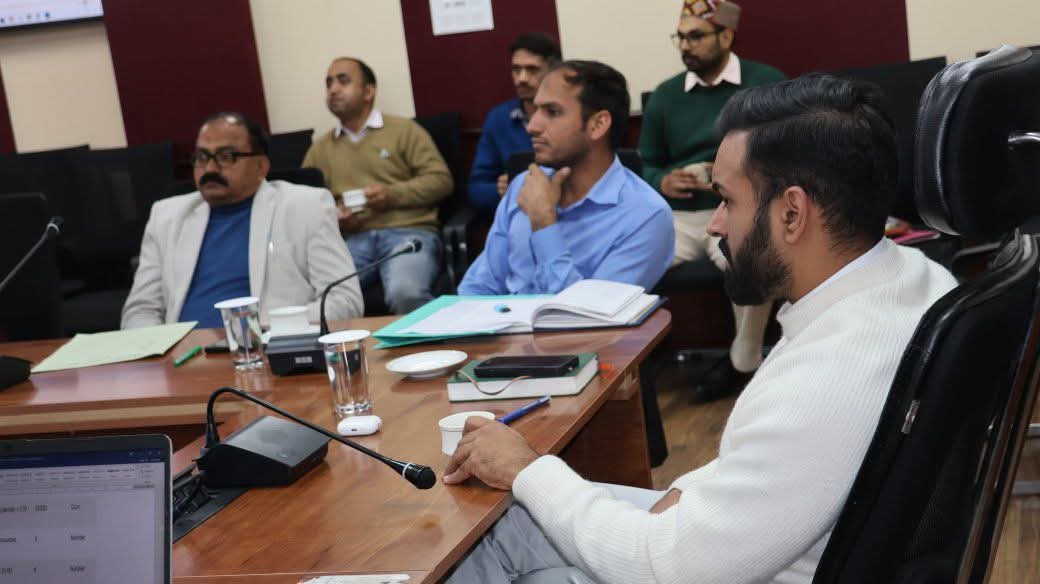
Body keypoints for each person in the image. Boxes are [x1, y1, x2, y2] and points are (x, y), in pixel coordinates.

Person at [443, 75, 958, 583]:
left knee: (490, 535)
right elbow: (777, 464)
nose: (714, 224)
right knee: (502, 529)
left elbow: (662, 567)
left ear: (792, 213)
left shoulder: (828, 376)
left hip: (700, 569)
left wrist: (527, 468)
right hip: (749, 547)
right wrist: (687, 490)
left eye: (727, 201)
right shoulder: (919, 277)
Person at [640, 0, 786, 402]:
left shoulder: (764, 82)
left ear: (726, 36)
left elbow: (785, 149)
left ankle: (743, 361)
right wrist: (662, 180)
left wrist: (735, 173)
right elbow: (646, 163)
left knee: (753, 259)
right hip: (679, 216)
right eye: (681, 37)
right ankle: (631, 364)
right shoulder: (666, 95)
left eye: (696, 36)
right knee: (623, 259)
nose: (686, 45)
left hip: (741, 208)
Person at [122, 112, 363, 329]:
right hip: (184, 355)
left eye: (226, 156)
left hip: (267, 350)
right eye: (202, 157)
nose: (210, 168)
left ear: (261, 166)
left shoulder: (306, 207)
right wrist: (162, 352)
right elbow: (140, 310)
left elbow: (344, 301)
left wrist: (252, 333)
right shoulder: (166, 217)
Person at [458, 60, 673, 296]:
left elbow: (589, 314)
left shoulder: (646, 216)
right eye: (535, 110)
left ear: (598, 124)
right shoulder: (524, 184)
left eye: (552, 112)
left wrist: (544, 223)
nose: (532, 126)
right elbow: (478, 287)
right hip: (502, 320)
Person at [302, 57, 453, 314]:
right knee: (321, 299)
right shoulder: (320, 149)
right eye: (329, 83)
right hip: (351, 240)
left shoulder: (405, 131)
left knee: (405, 293)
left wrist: (392, 195)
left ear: (369, 91)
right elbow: (305, 205)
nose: (333, 89)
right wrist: (335, 217)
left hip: (407, 233)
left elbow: (440, 181)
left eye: (343, 81)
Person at [468, 33, 561, 212]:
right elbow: (476, 188)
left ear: (553, 73)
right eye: (516, 70)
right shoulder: (498, 118)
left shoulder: (569, 115)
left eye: (532, 69)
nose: (522, 78)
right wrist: (499, 190)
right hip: (517, 213)